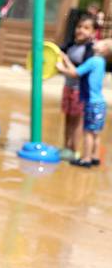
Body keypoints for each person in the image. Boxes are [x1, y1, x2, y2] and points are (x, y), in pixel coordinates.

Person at [56, 38, 111, 167]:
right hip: (100, 103)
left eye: (101, 42)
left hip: (91, 103)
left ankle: (85, 159)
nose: (97, 41)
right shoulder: (100, 62)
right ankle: (95, 157)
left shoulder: (92, 61)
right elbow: (79, 71)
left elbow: (75, 73)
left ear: (104, 49)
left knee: (87, 133)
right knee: (95, 133)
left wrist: (61, 68)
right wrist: (66, 60)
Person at [59, 15, 95, 161]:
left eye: (86, 28)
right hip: (68, 88)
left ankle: (74, 149)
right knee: (67, 118)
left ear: (92, 33)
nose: (81, 30)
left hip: (80, 91)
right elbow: (56, 50)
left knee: (77, 121)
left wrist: (66, 60)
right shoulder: (70, 46)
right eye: (79, 27)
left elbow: (80, 72)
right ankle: (66, 147)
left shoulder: (89, 50)